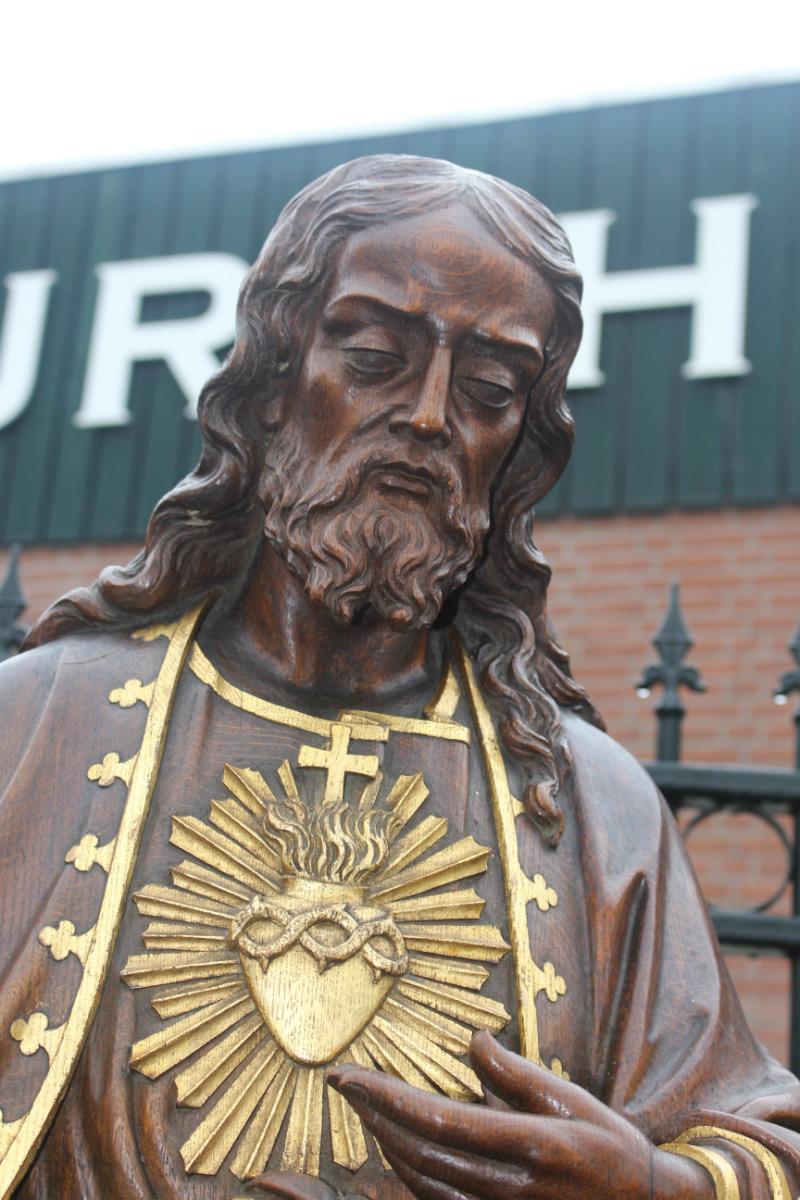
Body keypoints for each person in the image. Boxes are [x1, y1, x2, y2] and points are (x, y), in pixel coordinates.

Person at [1, 155, 798, 1200]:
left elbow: (757, 1135)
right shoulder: (35, 724)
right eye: (374, 353)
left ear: (516, 443)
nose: (426, 418)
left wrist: (656, 1187)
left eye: (487, 389)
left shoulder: (588, 804)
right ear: (276, 372)